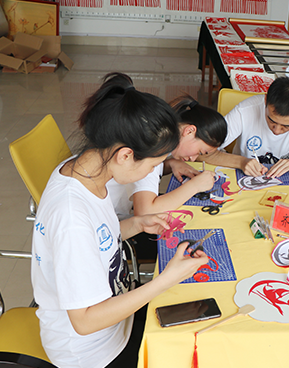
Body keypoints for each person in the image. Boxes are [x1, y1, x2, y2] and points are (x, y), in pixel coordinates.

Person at [31, 73, 210, 368]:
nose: (151, 174)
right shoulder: (71, 216)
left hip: (118, 321)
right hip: (93, 353)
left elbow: (98, 238)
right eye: (152, 166)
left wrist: (137, 225)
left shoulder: (84, 172)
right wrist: (165, 280)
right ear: (125, 155)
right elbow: (85, 321)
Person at [108, 95, 227, 221]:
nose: (193, 159)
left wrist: (169, 164)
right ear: (189, 131)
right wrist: (195, 186)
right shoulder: (155, 147)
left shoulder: (158, 131)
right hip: (110, 220)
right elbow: (145, 212)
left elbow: (141, 175)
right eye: (199, 152)